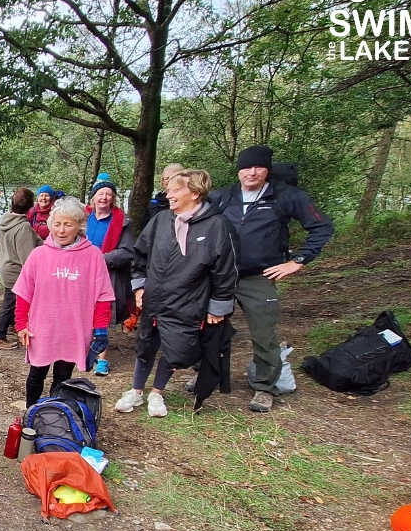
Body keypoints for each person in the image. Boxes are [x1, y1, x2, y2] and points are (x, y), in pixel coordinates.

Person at [208, 145, 335, 413]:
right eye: (246, 167)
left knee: (264, 334)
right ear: (239, 170)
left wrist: (297, 261)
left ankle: (265, 387)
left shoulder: (286, 197)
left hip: (259, 277)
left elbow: (322, 226)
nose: (252, 172)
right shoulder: (223, 197)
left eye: (258, 167)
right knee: (209, 328)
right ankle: (206, 375)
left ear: (268, 170)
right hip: (220, 274)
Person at [116, 169, 237, 418]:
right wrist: (139, 286)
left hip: (189, 301)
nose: (168, 194)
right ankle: (136, 391)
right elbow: (140, 255)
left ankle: (157, 393)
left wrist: (218, 306)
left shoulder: (217, 225)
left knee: (176, 347)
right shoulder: (161, 220)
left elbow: (225, 270)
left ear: (194, 193)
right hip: (155, 298)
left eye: (174, 190)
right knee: (146, 344)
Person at [13, 197, 114, 407]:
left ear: (79, 226)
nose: (61, 230)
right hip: (42, 328)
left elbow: (103, 297)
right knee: (36, 374)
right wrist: (21, 324)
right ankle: (31, 414)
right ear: (50, 225)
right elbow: (24, 293)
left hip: (74, 329)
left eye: (68, 224)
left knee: (62, 377)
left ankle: (54, 417)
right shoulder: (39, 255)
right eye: (57, 224)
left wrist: (101, 329)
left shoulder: (93, 256)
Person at [84, 179, 136, 376]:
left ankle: (102, 359)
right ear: (94, 197)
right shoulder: (84, 217)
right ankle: (86, 351)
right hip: (84, 272)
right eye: (100, 194)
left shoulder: (121, 221)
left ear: (113, 198)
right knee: (85, 311)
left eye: (108, 194)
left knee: (102, 314)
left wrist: (102, 258)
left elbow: (128, 251)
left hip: (108, 273)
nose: (104, 197)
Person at [0, 187, 43, 350]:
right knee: (10, 303)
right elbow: (27, 258)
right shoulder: (23, 228)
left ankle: (13, 325)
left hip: (5, 268)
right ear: (30, 207)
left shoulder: (5, 219)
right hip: (16, 272)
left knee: (12, 301)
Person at [139, 163, 184, 232]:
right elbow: (145, 226)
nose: (169, 181)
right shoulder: (155, 201)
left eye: (173, 178)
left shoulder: (187, 200)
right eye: (166, 178)